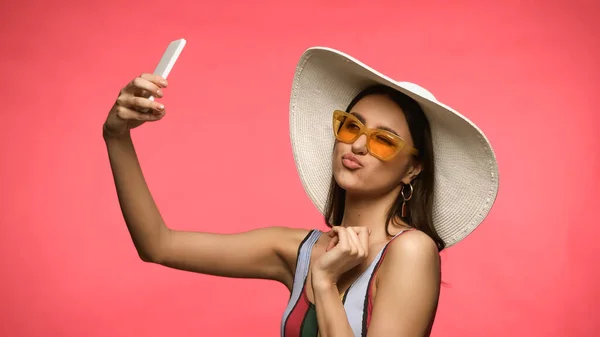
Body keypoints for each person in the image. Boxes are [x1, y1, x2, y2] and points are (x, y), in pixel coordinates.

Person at [102, 47, 499, 337]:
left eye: (383, 140)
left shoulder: (411, 252)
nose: (358, 146)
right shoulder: (299, 251)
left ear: (412, 168)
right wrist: (116, 137)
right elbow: (158, 245)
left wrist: (324, 285)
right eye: (351, 127)